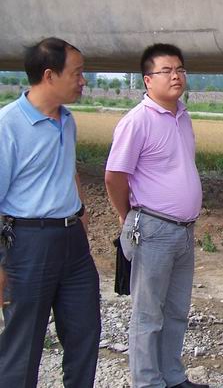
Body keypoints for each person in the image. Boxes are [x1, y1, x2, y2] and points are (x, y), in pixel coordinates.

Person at [105, 43, 207, 388]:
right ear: (148, 80)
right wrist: (128, 216)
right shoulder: (137, 121)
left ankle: (173, 377)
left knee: (176, 310)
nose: (176, 76)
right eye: (167, 71)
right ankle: (147, 382)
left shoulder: (183, 116)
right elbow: (114, 176)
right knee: (148, 314)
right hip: (152, 229)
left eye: (180, 69)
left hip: (184, 230)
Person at [0, 37, 100, 388]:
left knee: (85, 332)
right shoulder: (8, 125)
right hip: (28, 242)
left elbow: (67, 171)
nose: (83, 81)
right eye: (77, 73)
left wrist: (80, 213)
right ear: (49, 75)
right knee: (23, 344)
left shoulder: (67, 120)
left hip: (72, 242)